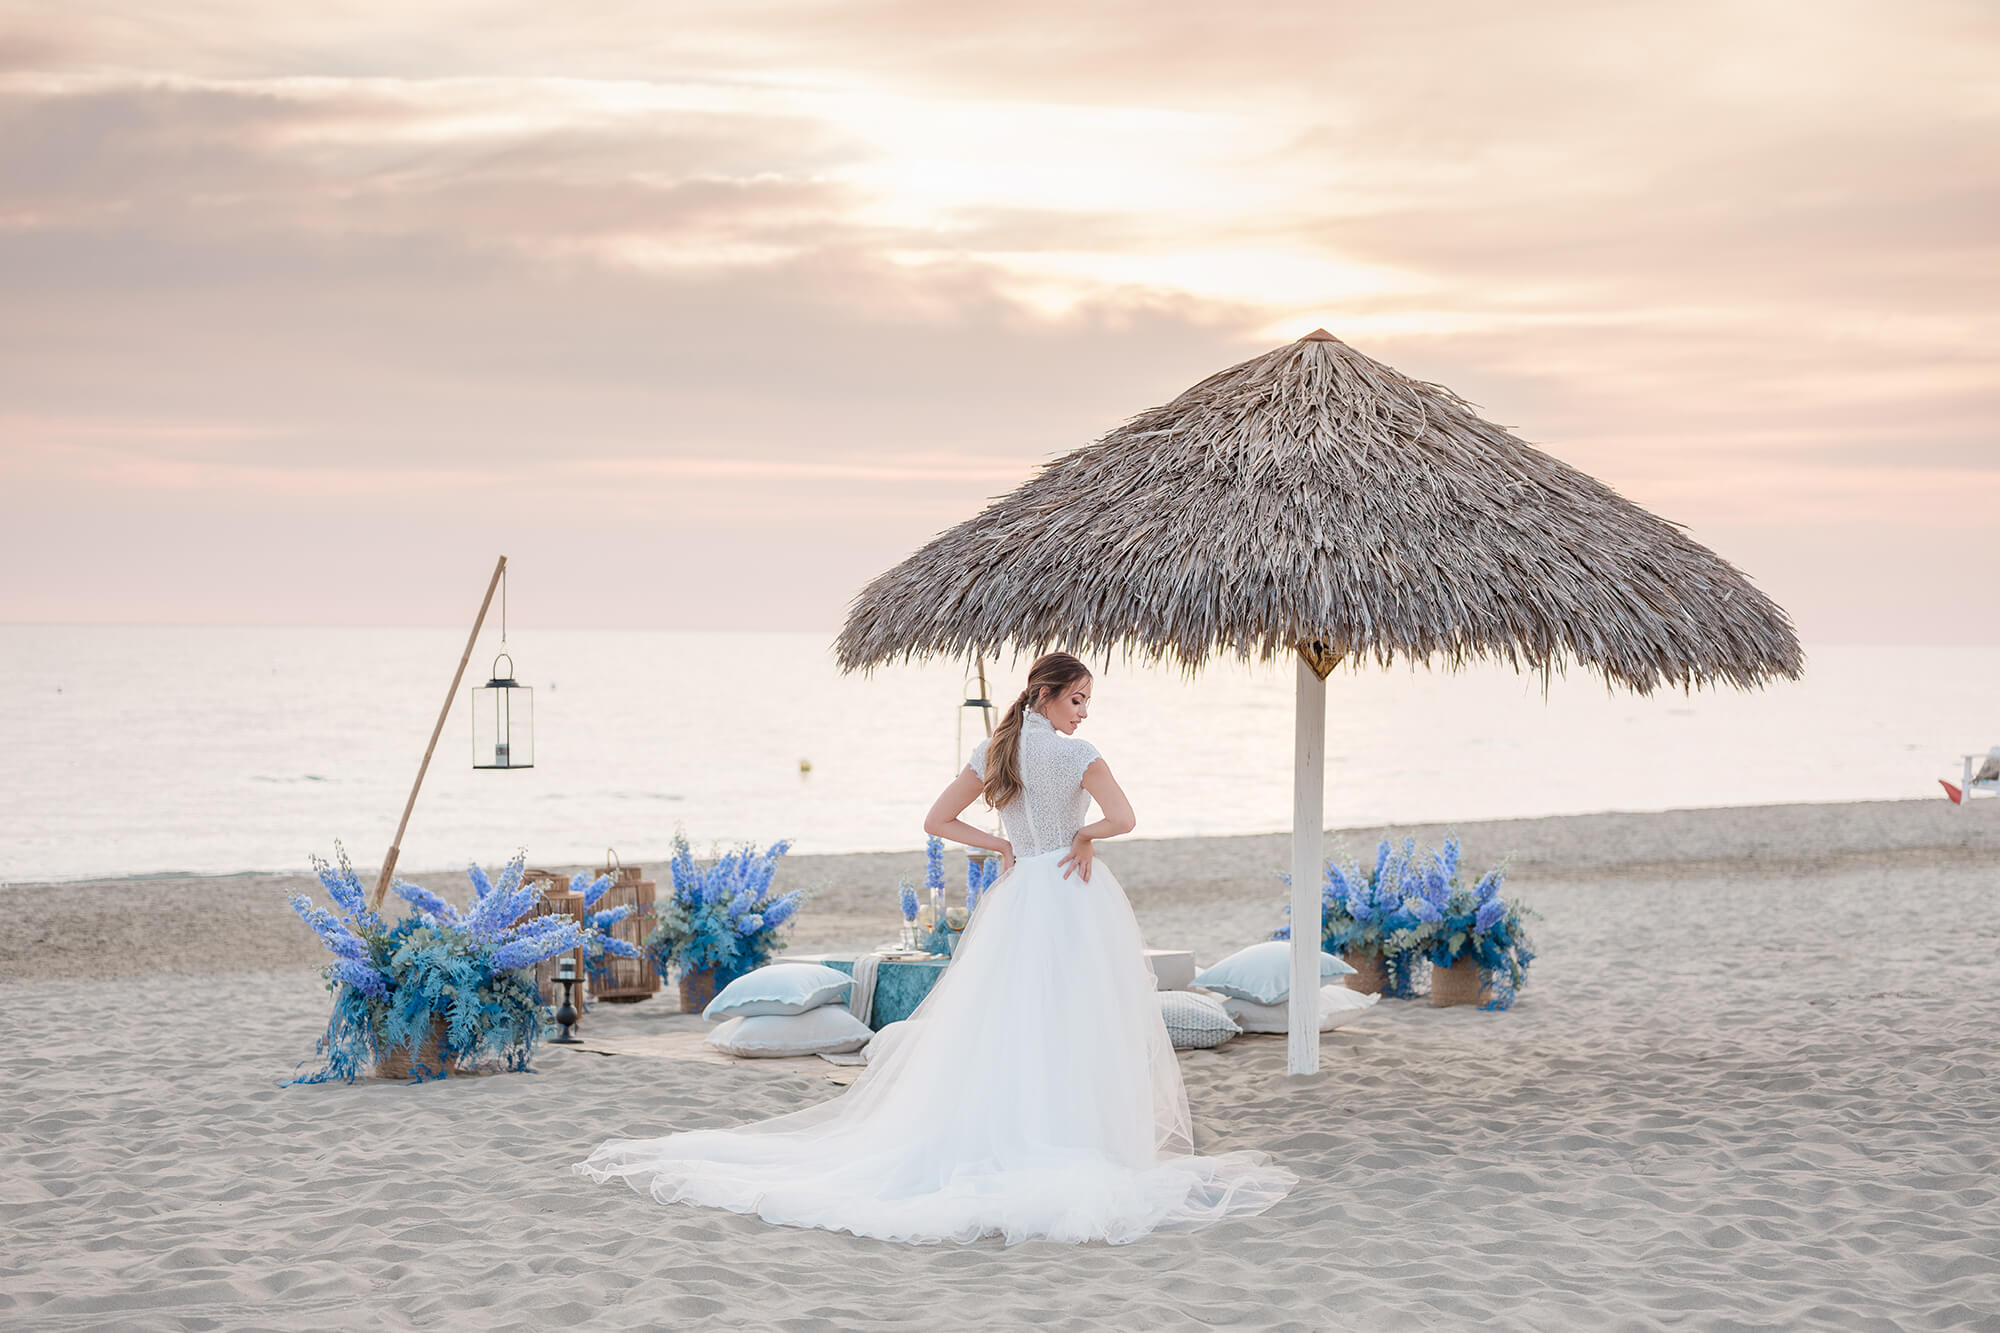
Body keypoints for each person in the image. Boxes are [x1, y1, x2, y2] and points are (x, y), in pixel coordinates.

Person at [573, 651, 1296, 1244]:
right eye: (1077, 698)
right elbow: (1126, 817)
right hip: (1073, 895)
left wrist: (1001, 843)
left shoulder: (996, 747)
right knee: (1079, 1019)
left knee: (1008, 1020)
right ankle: (1084, 1138)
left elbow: (937, 819)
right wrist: (1083, 835)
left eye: (1085, 703)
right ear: (1046, 694)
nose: (1082, 712)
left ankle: (1016, 1132)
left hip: (1020, 895)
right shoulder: (1079, 753)